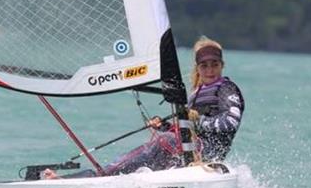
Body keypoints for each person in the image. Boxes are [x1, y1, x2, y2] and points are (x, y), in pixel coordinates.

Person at [42, 36, 244, 179]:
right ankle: (95, 179)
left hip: (207, 153)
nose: (209, 69)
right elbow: (186, 126)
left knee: (162, 143)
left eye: (214, 64)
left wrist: (196, 119)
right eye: (204, 65)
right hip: (188, 151)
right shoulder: (196, 93)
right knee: (152, 153)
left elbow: (230, 123)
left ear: (222, 65)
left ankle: (99, 175)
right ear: (197, 68)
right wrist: (162, 125)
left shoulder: (226, 89)